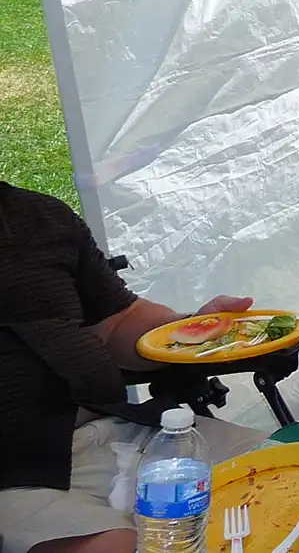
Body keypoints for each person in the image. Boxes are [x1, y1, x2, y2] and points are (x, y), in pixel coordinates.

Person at [0, 183, 263, 553]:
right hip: (16, 475)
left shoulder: (39, 215)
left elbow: (118, 320)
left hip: (125, 431)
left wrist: (189, 331)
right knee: (127, 546)